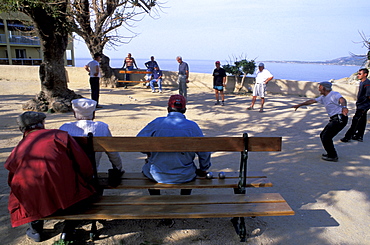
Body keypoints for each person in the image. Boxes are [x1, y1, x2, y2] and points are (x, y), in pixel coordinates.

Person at [4, 112, 96, 242]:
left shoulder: (20, 147)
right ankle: (68, 229)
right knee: (75, 189)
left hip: (35, 201)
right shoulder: (59, 135)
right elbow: (83, 164)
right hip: (66, 196)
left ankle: (36, 230)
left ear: (22, 129)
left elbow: (12, 178)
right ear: (42, 124)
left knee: (26, 191)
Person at [137, 94, 211, 195]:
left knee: (147, 167)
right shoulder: (193, 126)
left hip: (156, 174)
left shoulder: (157, 122)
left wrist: (149, 152)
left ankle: (155, 196)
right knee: (189, 169)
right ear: (184, 109)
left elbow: (139, 143)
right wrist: (203, 169)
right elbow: (204, 151)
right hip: (185, 174)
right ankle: (185, 196)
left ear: (168, 108)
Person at [59, 98, 125, 187]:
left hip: (70, 176)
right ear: (94, 113)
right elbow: (112, 152)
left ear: (74, 113)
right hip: (92, 175)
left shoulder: (64, 128)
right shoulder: (102, 127)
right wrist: (118, 168)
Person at [292, 81, 348, 162]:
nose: (318, 89)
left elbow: (342, 100)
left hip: (339, 119)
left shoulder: (334, 94)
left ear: (323, 88)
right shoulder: (323, 97)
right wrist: (299, 105)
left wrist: (344, 107)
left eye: (319, 87)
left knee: (326, 137)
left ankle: (333, 156)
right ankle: (330, 153)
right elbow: (312, 101)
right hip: (335, 119)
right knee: (324, 135)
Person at [340, 68, 370, 142]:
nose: (358, 75)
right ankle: (359, 136)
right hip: (361, 105)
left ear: (365, 74)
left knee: (355, 121)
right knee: (362, 121)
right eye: (358, 74)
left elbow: (369, 95)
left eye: (360, 74)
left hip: (363, 106)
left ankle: (348, 137)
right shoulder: (362, 82)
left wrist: (365, 105)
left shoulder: (367, 84)